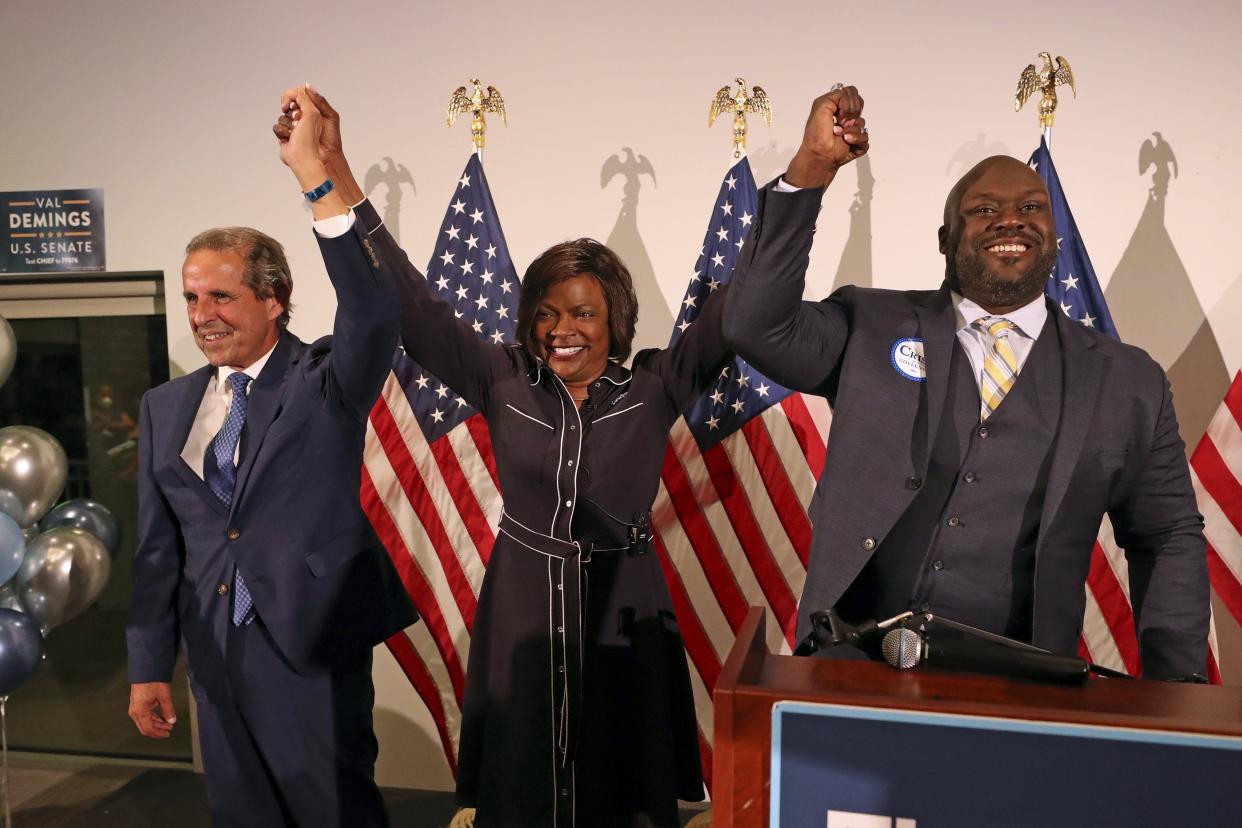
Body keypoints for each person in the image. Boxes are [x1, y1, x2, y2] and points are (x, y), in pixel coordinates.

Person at [273, 89, 718, 827]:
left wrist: (807, 178)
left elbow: (741, 310)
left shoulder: (657, 384)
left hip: (625, 606)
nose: (561, 329)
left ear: (616, 318)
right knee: (524, 783)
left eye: (582, 312)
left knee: (620, 786)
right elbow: (409, 299)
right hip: (522, 608)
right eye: (545, 312)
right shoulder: (502, 379)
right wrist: (332, 171)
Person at [723, 86, 1209, 679]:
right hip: (848, 668)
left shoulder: (1130, 382)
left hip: (1023, 691)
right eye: (984, 210)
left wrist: (1177, 690)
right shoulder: (869, 325)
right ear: (945, 241)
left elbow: (1166, 537)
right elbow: (755, 324)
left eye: (1032, 208)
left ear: (1054, 238)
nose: (1011, 219)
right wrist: (811, 172)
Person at [127, 86, 417, 826]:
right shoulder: (166, 408)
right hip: (215, 666)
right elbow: (159, 555)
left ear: (274, 298)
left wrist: (315, 181)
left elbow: (377, 310)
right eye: (193, 299)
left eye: (221, 298)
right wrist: (147, 667)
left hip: (311, 652)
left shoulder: (326, 382)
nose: (201, 317)